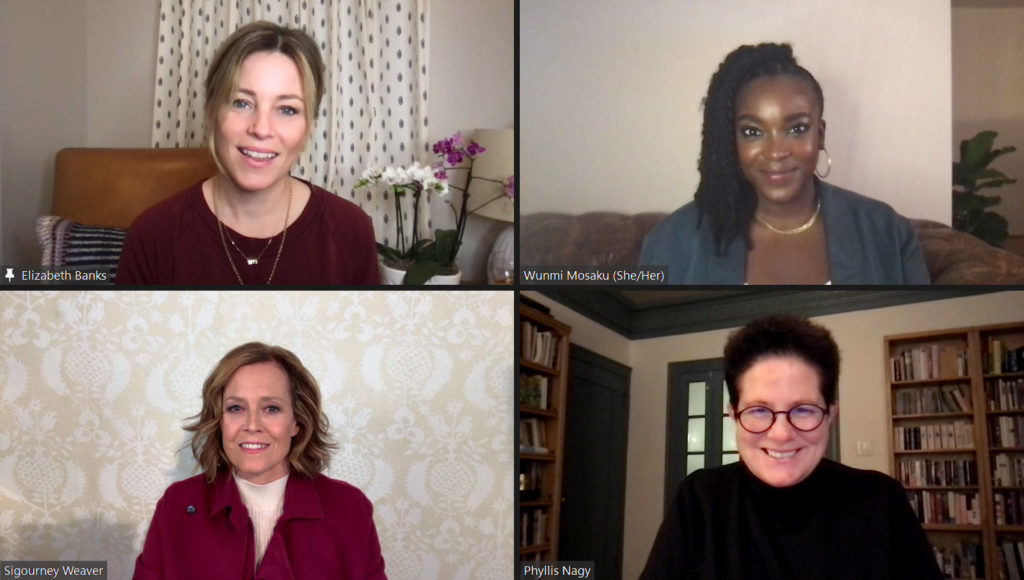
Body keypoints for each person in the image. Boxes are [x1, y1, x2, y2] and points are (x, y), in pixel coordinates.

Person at [640, 315, 942, 579]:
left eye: (803, 409)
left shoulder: (881, 501)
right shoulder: (699, 499)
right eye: (759, 410)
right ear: (733, 415)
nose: (781, 434)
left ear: (830, 416)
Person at [638, 43, 930, 285]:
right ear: (732, 141)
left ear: (820, 134)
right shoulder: (669, 241)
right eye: (752, 132)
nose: (776, 152)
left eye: (797, 128)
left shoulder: (888, 232)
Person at [117, 22, 379, 285]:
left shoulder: (351, 230)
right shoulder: (151, 234)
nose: (261, 129)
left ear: (309, 125)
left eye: (287, 109)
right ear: (211, 111)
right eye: (241, 103)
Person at [133, 342, 387, 579]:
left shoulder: (351, 509)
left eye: (271, 408)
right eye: (235, 408)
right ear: (219, 421)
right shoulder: (177, 506)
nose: (252, 425)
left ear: (296, 421)